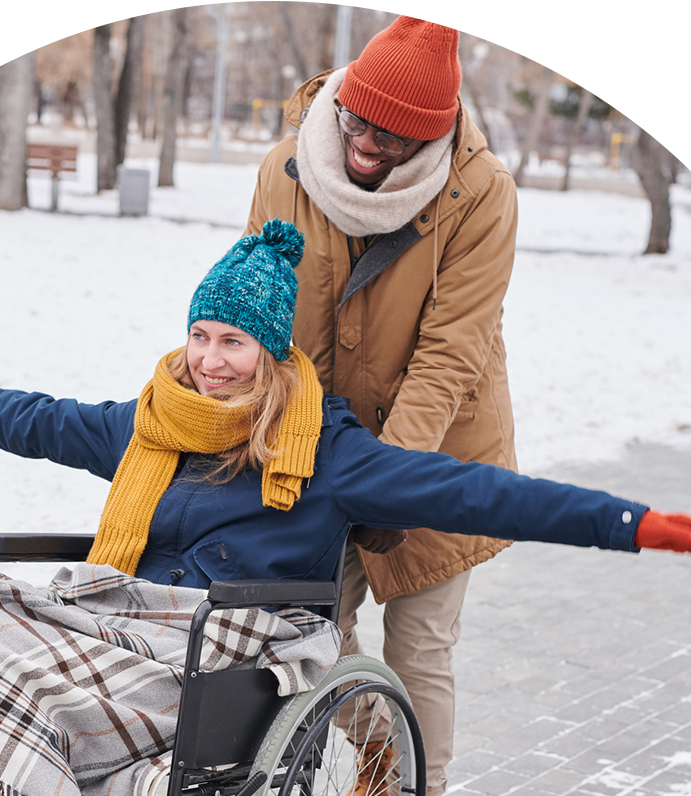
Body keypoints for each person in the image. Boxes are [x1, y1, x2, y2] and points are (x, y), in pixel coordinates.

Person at [0, 220, 691, 796]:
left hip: (226, 655)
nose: (208, 360)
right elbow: (37, 420)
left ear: (271, 354)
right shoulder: (154, 422)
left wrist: (628, 524)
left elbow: (475, 492)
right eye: (200, 335)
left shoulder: (327, 452)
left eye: (232, 342)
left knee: (22, 692)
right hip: (124, 617)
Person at [244, 8, 521, 793]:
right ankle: (379, 743)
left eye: (392, 139)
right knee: (308, 630)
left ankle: (414, 786)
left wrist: (392, 475)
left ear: (433, 136)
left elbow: (451, 352)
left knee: (421, 644)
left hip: (438, 451)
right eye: (357, 124)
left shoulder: (482, 195)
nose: (366, 147)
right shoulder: (287, 169)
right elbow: (260, 317)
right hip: (319, 444)